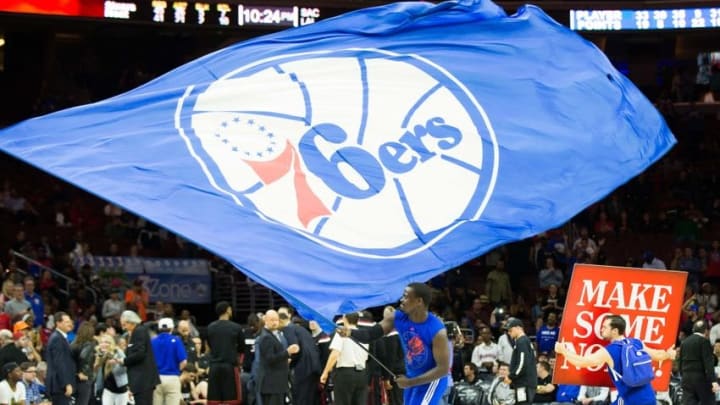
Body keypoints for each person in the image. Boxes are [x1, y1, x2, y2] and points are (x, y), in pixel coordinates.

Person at [343, 282, 450, 405]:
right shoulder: (397, 317)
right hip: (411, 377)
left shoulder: (436, 329)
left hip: (432, 380)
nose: (402, 300)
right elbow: (370, 335)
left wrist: (410, 382)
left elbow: (443, 369)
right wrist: (350, 332)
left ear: (419, 301)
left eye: (406, 297)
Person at [555, 314, 676, 405]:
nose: (601, 329)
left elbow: (582, 362)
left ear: (615, 331)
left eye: (604, 327)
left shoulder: (609, 351)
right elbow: (658, 355)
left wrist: (563, 351)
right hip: (648, 397)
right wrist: (669, 354)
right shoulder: (636, 342)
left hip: (631, 400)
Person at [320, 313, 369, 405]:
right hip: (362, 373)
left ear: (344, 319)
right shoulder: (364, 334)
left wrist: (325, 372)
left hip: (345, 373)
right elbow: (366, 357)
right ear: (358, 320)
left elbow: (335, 354)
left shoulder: (341, 333)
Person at [255, 310, 299, 405]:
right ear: (265, 320)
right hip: (272, 384)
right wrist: (287, 352)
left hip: (277, 384)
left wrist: (284, 359)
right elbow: (270, 359)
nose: (275, 322)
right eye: (272, 320)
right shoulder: (266, 337)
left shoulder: (275, 334)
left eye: (276, 320)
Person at [206, 301, 245, 405]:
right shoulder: (236, 327)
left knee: (214, 401)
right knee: (231, 400)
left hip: (214, 367)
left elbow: (210, 345)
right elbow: (242, 348)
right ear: (228, 310)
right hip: (230, 367)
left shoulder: (210, 327)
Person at [119, 309, 160, 405]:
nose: (123, 328)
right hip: (142, 380)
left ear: (131, 322)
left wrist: (124, 360)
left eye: (124, 325)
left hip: (143, 380)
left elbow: (140, 353)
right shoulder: (139, 330)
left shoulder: (139, 331)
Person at [679, 320, 719, 405]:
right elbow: (708, 363)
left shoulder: (684, 342)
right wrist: (713, 381)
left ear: (694, 329)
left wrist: (683, 376)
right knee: (709, 402)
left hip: (686, 378)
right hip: (700, 378)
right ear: (706, 331)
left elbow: (680, 362)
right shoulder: (704, 341)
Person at [152, 317, 187, 405]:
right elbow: (184, 362)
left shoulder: (152, 341)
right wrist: (177, 371)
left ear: (159, 328)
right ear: (172, 328)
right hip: (172, 377)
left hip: (156, 378)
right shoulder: (176, 340)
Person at [45, 311, 76, 405]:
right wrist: (66, 384)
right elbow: (60, 363)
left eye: (70, 321)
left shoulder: (60, 337)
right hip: (59, 385)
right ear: (58, 323)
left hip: (59, 385)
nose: (70, 324)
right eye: (66, 322)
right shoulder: (57, 339)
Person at [503, 317, 536, 404]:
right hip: (524, 383)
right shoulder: (524, 341)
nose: (509, 333)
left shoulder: (522, 341)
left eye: (510, 330)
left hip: (524, 383)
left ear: (519, 328)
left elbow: (522, 363)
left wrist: (511, 376)